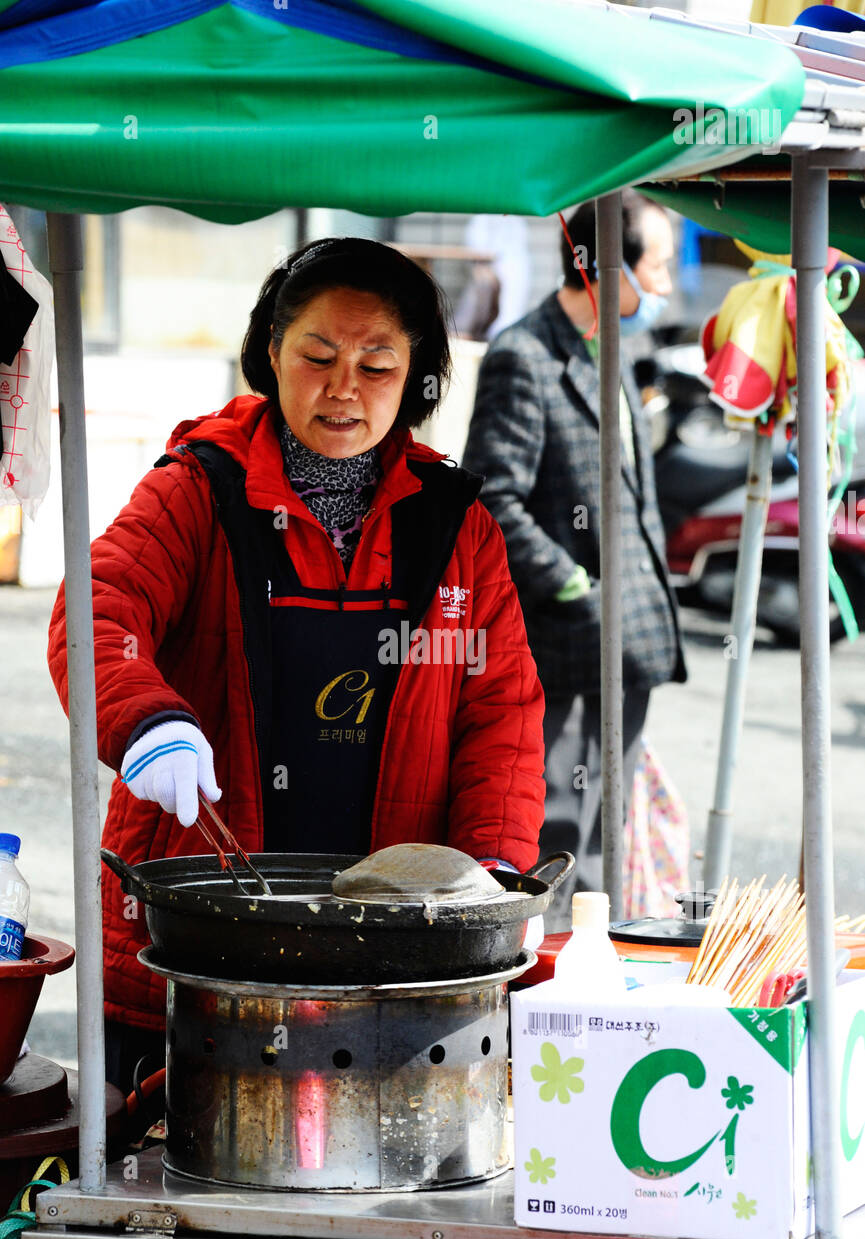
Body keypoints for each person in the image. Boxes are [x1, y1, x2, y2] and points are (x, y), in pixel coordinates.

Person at [47, 238, 545, 1092]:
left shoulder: (455, 525)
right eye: (317, 355)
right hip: (209, 933)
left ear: (417, 374)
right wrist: (148, 722)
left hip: (389, 949)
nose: (343, 386)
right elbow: (99, 610)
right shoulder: (199, 488)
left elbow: (499, 715)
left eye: (377, 363)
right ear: (270, 352)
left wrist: (488, 873)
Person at [461, 195, 686, 933]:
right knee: (556, 823)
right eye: (654, 267)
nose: (662, 288)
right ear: (602, 267)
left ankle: (594, 966)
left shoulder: (610, 351)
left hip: (629, 636)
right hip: (562, 640)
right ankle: (547, 973)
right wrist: (572, 585)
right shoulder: (523, 355)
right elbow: (490, 495)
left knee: (603, 825)